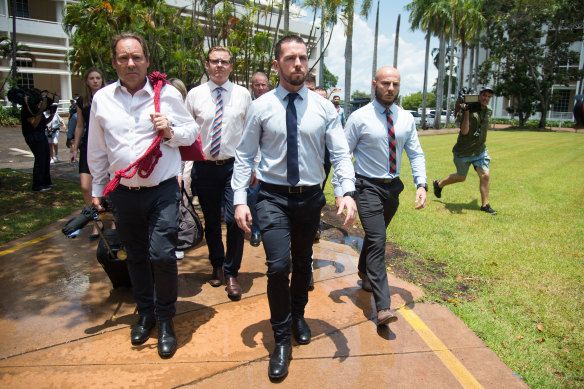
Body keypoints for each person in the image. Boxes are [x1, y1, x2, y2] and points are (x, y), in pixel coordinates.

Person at [232, 35, 357, 381]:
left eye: (303, 58)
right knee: (277, 266)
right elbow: (244, 157)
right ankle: (281, 338)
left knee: (302, 261)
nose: (298, 64)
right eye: (290, 58)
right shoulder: (261, 107)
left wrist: (345, 191)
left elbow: (340, 153)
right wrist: (241, 199)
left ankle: (299, 314)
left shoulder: (324, 108)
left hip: (309, 198)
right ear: (277, 65)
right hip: (271, 197)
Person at [88, 32, 198, 359]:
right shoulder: (102, 100)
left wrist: (171, 130)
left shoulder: (166, 96)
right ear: (114, 63)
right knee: (134, 256)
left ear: (147, 61)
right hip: (123, 194)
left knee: (162, 255)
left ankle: (165, 319)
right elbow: (96, 150)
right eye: (123, 58)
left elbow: (192, 132)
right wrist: (97, 190)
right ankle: (145, 312)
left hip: (162, 191)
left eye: (136, 57)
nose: (131, 63)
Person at [342, 65, 427, 326]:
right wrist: (344, 191)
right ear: (374, 84)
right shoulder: (359, 118)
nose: (390, 88)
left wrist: (421, 183)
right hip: (366, 186)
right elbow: (343, 154)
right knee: (379, 239)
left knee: (374, 236)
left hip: (392, 188)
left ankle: (363, 269)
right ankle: (383, 307)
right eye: (385, 83)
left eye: (395, 84)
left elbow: (415, 152)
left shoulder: (405, 118)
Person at [185, 46, 252, 301]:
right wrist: (185, 171)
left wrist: (253, 166)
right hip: (203, 166)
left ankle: (231, 271)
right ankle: (216, 264)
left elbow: (250, 133)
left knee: (236, 219)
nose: (219, 66)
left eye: (224, 62)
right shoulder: (194, 95)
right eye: (215, 61)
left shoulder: (243, 95)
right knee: (212, 221)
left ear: (231, 66)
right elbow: (187, 135)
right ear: (207, 64)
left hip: (234, 167)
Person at [433, 85, 497, 215]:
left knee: (485, 175)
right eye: (484, 95)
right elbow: (464, 131)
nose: (486, 98)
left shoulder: (488, 110)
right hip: (463, 152)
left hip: (480, 150)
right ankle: (439, 185)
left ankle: (485, 205)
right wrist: (467, 112)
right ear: (478, 96)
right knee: (461, 177)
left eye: (489, 96)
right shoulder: (466, 110)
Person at [71, 67, 108, 240]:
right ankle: (96, 221)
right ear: (87, 81)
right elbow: (79, 125)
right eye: (92, 78)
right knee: (86, 186)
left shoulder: (109, 97)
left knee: (109, 186)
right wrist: (74, 148)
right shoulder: (82, 101)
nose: (95, 81)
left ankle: (115, 220)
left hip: (107, 145)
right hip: (88, 146)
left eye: (98, 78)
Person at [247, 71, 271, 248]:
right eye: (257, 84)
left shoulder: (276, 105)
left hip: (273, 164)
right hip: (254, 163)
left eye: (263, 84)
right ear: (252, 87)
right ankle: (256, 230)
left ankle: (270, 229)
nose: (260, 88)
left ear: (268, 86)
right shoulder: (248, 108)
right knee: (252, 197)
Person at [21, 94, 52, 191]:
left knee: (46, 157)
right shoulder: (27, 109)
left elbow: (44, 122)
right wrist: (40, 110)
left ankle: (46, 181)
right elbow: (34, 123)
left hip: (41, 135)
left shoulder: (37, 110)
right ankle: (37, 184)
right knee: (40, 159)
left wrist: (52, 114)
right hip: (33, 136)